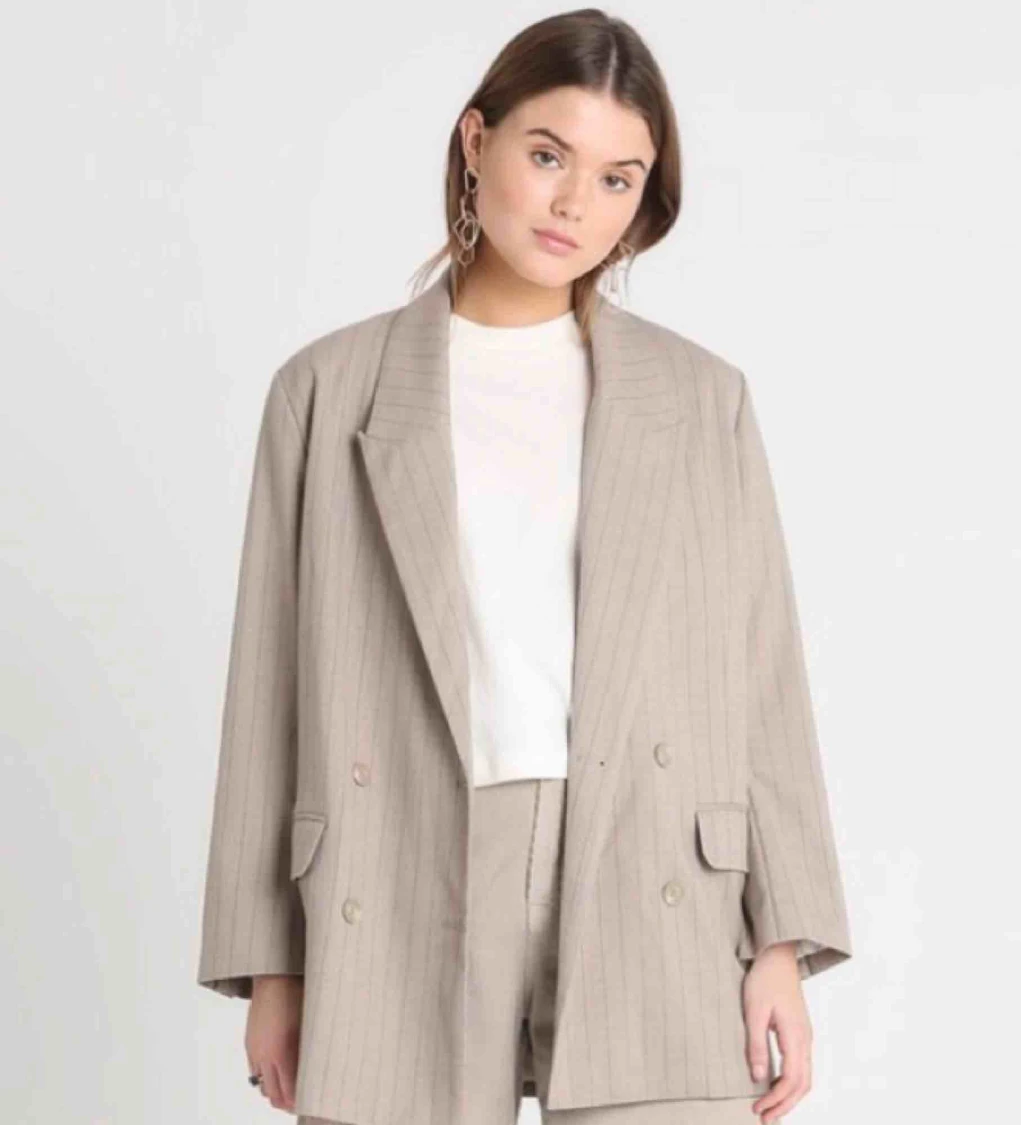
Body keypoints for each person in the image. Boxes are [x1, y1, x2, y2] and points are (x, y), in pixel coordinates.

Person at [196, 10, 853, 1125]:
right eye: (548, 155)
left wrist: (779, 943)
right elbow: (270, 689)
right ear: (476, 140)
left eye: (616, 179)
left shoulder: (702, 400)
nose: (573, 205)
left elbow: (760, 676)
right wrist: (273, 967)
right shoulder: (325, 392)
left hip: (653, 859)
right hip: (394, 865)